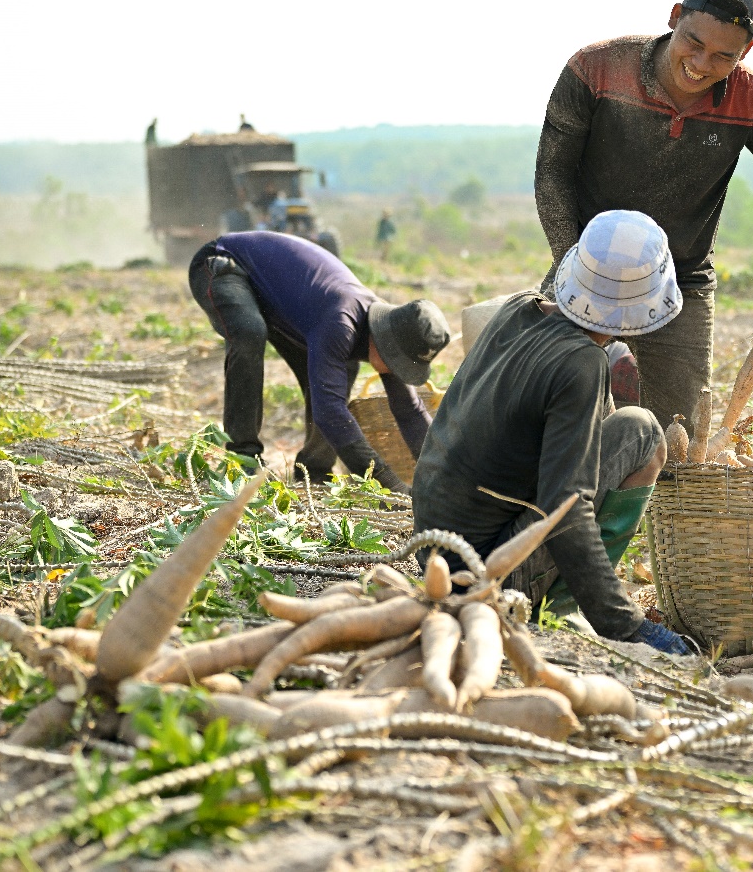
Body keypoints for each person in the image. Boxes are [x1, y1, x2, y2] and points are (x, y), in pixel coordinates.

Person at [534, 0, 753, 437]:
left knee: (677, 434)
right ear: (674, 18)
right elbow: (552, 171)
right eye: (693, 42)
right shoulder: (597, 69)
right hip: (590, 267)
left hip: (680, 277)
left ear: (744, 53)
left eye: (723, 56)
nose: (702, 64)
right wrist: (567, 258)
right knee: (559, 413)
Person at [413, 210, 690, 654]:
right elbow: (568, 506)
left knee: (622, 426)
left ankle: (569, 601)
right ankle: (561, 611)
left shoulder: (517, 309)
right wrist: (626, 625)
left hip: (436, 554)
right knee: (642, 432)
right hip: (485, 574)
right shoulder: (581, 363)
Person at [188, 230, 451, 494]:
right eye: (400, 364)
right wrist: (388, 485)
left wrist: (444, 477)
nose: (399, 372)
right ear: (387, 344)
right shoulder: (342, 320)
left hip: (278, 297)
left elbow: (411, 411)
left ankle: (314, 472)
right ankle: (243, 459)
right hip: (224, 263)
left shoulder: (392, 329)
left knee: (343, 368)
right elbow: (330, 412)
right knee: (249, 332)